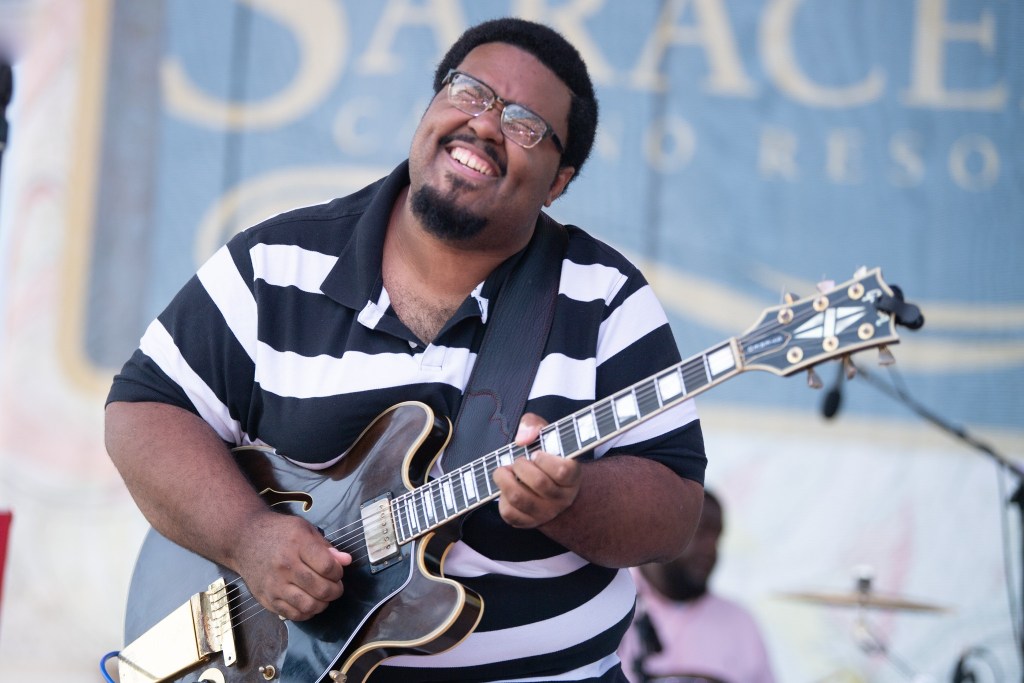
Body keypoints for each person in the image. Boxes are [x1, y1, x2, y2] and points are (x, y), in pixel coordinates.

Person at [105, 17, 707, 683]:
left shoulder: (606, 298)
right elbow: (144, 410)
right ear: (431, 105)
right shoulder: (276, 262)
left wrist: (571, 499)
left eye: (525, 124)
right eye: (470, 92)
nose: (485, 124)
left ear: (558, 181)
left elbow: (674, 511)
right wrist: (247, 537)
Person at [619, 491, 775, 683]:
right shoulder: (610, 605)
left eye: (717, 537)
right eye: (700, 532)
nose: (710, 549)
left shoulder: (740, 622)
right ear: (658, 530)